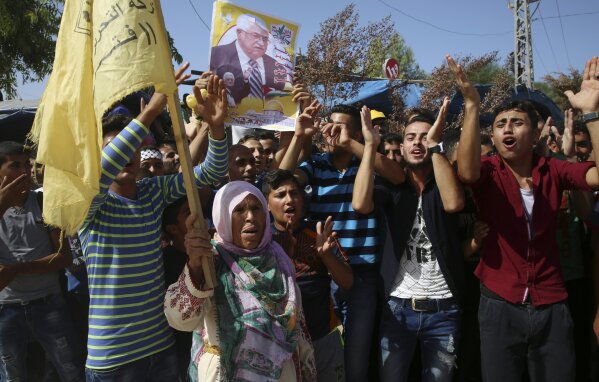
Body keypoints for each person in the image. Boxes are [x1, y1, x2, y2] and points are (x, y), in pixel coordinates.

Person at [455, 55, 599, 382]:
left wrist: (592, 113)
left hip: (552, 304)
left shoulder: (554, 169)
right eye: (501, 123)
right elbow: (465, 171)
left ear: (535, 136)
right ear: (492, 137)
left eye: (517, 122)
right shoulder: (488, 170)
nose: (508, 128)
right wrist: (472, 107)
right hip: (498, 303)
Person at [79, 69, 229, 380]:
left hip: (160, 348)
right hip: (113, 358)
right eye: (116, 145)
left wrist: (215, 129)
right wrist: (148, 114)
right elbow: (100, 174)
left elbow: (209, 174)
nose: (127, 153)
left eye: (133, 145)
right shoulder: (89, 203)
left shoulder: (152, 192)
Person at [280, 100, 406, 382]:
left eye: (342, 128)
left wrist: (355, 144)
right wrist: (301, 136)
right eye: (331, 124)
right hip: (321, 277)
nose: (333, 132)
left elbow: (398, 176)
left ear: (358, 135)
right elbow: (281, 181)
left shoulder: (368, 163)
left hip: (361, 277)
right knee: (320, 358)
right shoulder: (315, 164)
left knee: (356, 363)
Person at [353, 101, 465, 381]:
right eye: (410, 137)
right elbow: (360, 204)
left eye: (425, 137)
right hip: (397, 311)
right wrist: (369, 146)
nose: (418, 143)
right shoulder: (392, 188)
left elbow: (453, 204)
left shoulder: (446, 181)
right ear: (401, 147)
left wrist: (437, 145)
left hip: (444, 310)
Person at [164, 181, 316, 381]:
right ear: (223, 217)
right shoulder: (210, 261)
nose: (250, 217)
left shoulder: (279, 259)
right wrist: (194, 266)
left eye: (256, 208)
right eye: (239, 210)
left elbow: (297, 327)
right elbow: (180, 319)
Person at [0, 141, 84, 381]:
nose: (26, 172)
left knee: (70, 370)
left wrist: (15, 270)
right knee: (11, 375)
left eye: (27, 165)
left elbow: (62, 257)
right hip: (6, 308)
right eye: (15, 166)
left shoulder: (43, 203)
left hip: (48, 304)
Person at [263, 169, 353, 381]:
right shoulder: (260, 242)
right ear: (266, 203)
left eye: (294, 193)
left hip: (322, 338)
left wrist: (326, 255)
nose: (289, 200)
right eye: (280, 195)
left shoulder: (319, 233)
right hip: (278, 344)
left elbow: (348, 282)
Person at [210, 13, 289, 103]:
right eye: (255, 36)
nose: (261, 43)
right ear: (239, 33)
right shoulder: (217, 55)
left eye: (265, 39)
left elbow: (282, 101)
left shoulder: (277, 67)